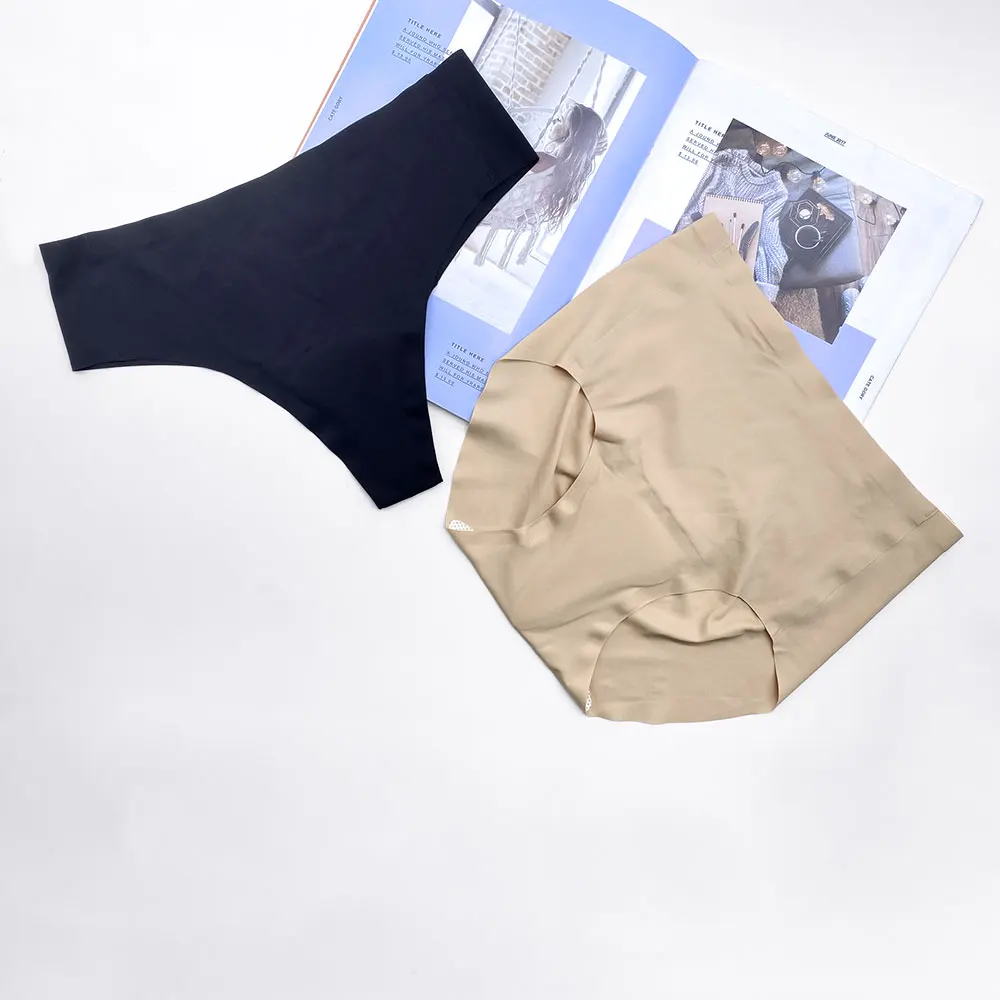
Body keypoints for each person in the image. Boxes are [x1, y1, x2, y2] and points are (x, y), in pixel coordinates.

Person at [473, 101, 608, 270]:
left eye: (560, 120)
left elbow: (506, 158)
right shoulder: (565, 177)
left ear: (570, 134)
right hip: (510, 211)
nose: (555, 122)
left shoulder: (545, 160)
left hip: (495, 204)